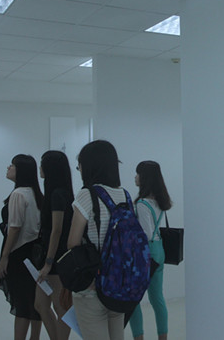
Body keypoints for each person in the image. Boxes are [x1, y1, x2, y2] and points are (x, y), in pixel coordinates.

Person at [66, 140, 127, 340]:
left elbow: (73, 243)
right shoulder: (124, 195)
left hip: (92, 285)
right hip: (119, 282)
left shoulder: (87, 195)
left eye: (80, 165)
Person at [0, 154, 43, 340]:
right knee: (34, 301)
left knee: (22, 304)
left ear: (21, 171)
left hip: (19, 254)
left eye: (12, 165)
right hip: (34, 254)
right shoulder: (36, 194)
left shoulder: (18, 194)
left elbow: (14, 228)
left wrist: (4, 257)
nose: (8, 168)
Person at [128, 161, 173, 340]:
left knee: (133, 299)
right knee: (157, 298)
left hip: (145, 254)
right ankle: (163, 337)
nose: (135, 177)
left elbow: (145, 234)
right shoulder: (160, 201)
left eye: (138, 173)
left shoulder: (142, 204)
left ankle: (138, 337)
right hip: (159, 250)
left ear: (145, 177)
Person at [34, 150, 74, 340]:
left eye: (42, 164)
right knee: (40, 304)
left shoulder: (58, 194)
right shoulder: (60, 193)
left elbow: (56, 230)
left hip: (56, 258)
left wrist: (48, 262)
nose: (40, 168)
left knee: (60, 306)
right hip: (51, 256)